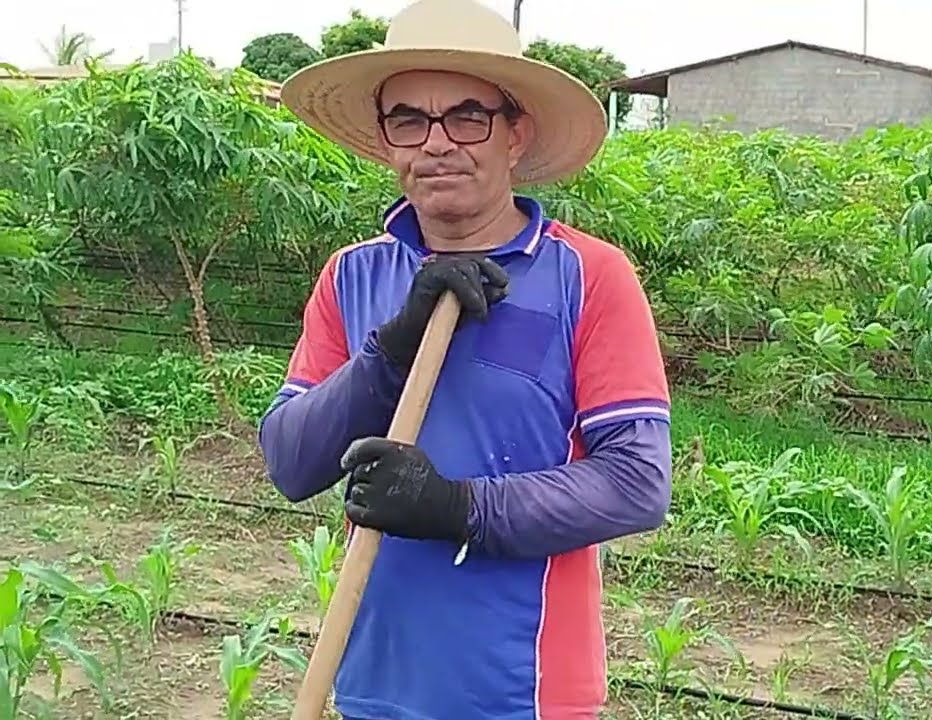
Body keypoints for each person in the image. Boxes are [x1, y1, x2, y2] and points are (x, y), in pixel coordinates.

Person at [255, 1, 673, 718]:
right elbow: (292, 463)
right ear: (386, 140)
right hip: (372, 680)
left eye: (468, 116)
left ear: (516, 134)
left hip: (526, 692)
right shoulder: (352, 277)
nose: (438, 142)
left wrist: (458, 507)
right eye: (409, 120)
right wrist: (390, 350)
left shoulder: (589, 277)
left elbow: (637, 483)